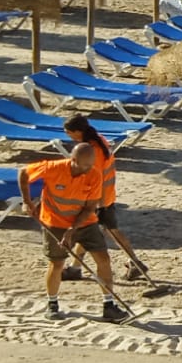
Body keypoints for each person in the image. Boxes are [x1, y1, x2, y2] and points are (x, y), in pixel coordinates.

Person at [23, 143, 131, 322]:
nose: (88, 169)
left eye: (91, 164)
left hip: (84, 223)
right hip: (54, 223)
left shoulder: (94, 174)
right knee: (57, 264)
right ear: (73, 160)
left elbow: (90, 208)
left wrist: (72, 230)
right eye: (84, 165)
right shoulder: (53, 168)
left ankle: (109, 305)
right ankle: (52, 304)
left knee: (103, 259)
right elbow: (23, 173)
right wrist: (27, 201)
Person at [60, 114, 149, 282]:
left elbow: (93, 177)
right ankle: (75, 268)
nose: (68, 136)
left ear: (78, 132)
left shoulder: (92, 150)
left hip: (98, 200)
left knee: (101, 232)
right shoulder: (98, 140)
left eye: (69, 133)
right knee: (96, 232)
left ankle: (135, 263)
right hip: (105, 197)